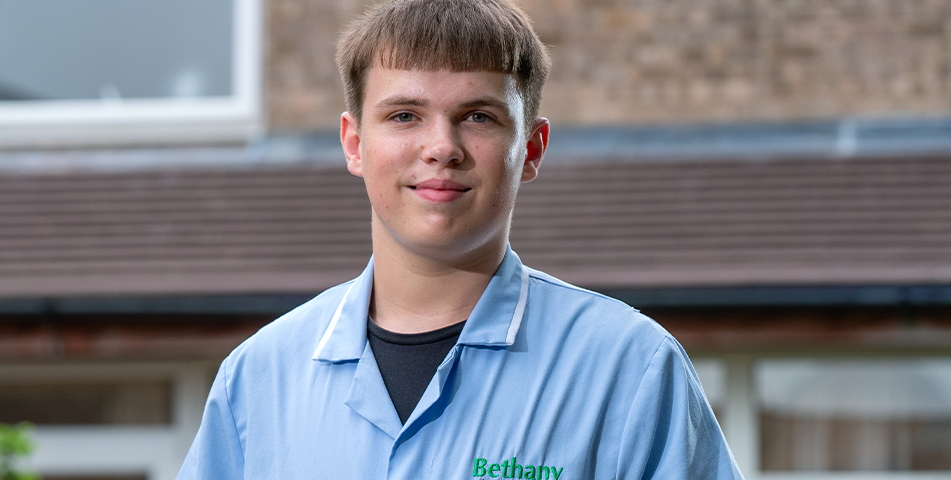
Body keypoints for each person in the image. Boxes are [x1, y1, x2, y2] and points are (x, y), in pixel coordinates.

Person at [177, 0, 742, 478]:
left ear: (533, 149)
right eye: (404, 115)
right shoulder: (257, 380)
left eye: (477, 117)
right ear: (354, 143)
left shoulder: (629, 369)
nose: (441, 147)